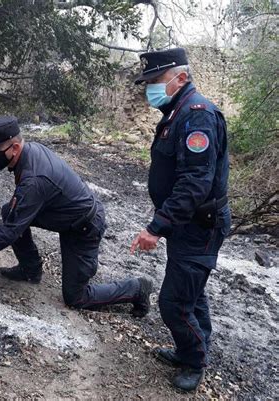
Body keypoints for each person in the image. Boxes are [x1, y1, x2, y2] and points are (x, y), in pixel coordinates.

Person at [0, 115, 153, 315]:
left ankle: (136, 288)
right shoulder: (30, 151)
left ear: (15, 148)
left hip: (84, 227)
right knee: (11, 211)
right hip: (63, 215)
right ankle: (30, 270)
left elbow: (8, 233)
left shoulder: (34, 179)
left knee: (76, 297)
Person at [130, 48, 231, 392]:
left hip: (198, 225)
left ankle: (194, 360)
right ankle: (192, 348)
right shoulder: (178, 111)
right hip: (186, 224)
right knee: (191, 293)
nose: (149, 90)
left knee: (173, 302)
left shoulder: (197, 115)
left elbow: (195, 182)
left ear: (181, 78)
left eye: (155, 82)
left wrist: (156, 227)